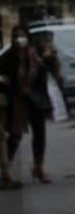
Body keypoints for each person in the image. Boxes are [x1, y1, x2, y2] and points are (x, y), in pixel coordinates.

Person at [0, 25, 54, 184]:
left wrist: (49, 58)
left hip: (36, 98)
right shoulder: (9, 56)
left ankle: (38, 167)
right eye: (16, 36)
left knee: (39, 133)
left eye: (22, 35)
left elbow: (46, 70)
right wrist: (9, 86)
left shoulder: (36, 53)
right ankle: (5, 169)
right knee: (15, 135)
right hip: (17, 100)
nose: (20, 39)